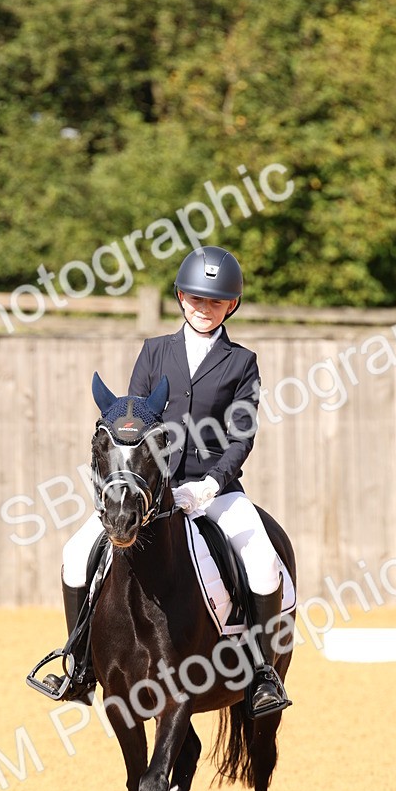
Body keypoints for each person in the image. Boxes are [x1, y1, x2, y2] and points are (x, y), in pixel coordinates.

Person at [39, 244, 291, 718]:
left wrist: (209, 485)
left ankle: (261, 676)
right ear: (180, 297)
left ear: (232, 305)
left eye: (215, 301)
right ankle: (79, 667)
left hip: (215, 492)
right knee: (75, 554)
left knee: (262, 562)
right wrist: (136, 483)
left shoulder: (242, 363)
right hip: (152, 491)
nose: (204, 308)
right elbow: (131, 420)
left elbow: (241, 436)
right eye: (196, 298)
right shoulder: (155, 351)